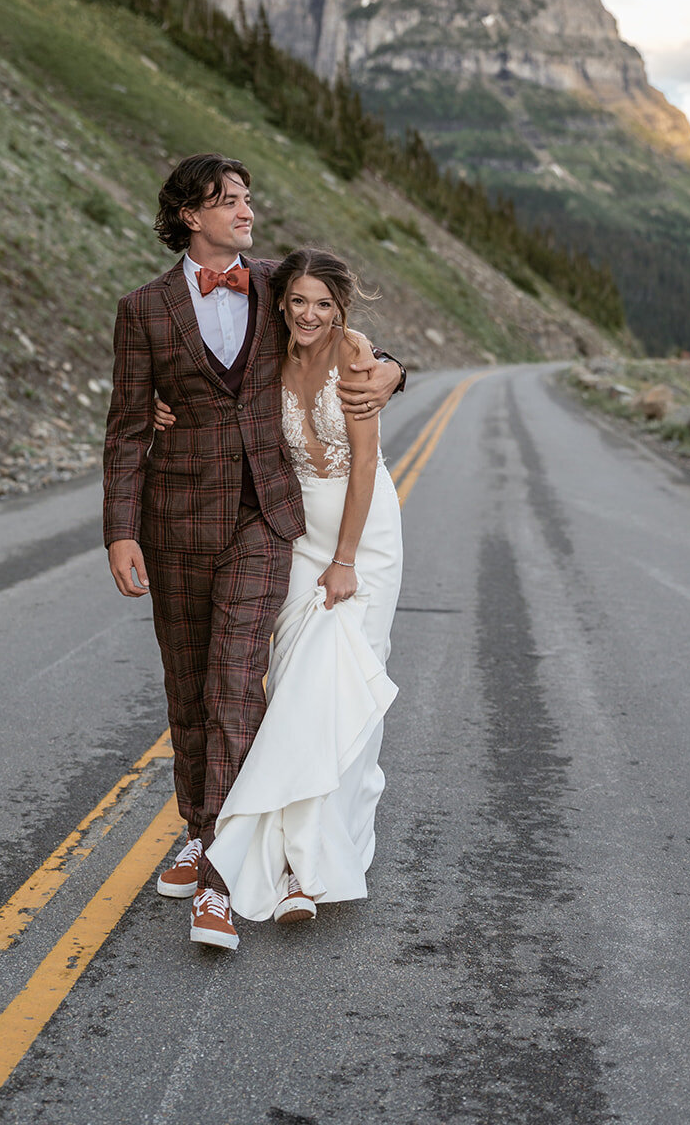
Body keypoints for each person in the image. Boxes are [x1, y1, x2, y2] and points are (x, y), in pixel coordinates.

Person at [102, 154, 404, 952]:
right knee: (188, 682)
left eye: (245, 196)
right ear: (187, 217)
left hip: (272, 520)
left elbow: (341, 329)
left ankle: (224, 871)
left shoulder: (277, 283)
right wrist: (120, 529)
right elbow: (127, 426)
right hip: (175, 519)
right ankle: (205, 828)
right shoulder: (142, 309)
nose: (245, 210)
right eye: (227, 201)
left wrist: (395, 372)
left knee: (237, 676)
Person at [204, 249, 403, 924]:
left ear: (340, 308)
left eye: (322, 303)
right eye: (298, 302)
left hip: (362, 538)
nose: (309, 314)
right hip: (297, 534)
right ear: (281, 304)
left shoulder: (354, 353)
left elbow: (366, 466)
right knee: (295, 689)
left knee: (343, 689)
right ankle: (293, 856)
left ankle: (306, 869)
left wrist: (345, 560)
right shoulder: (269, 357)